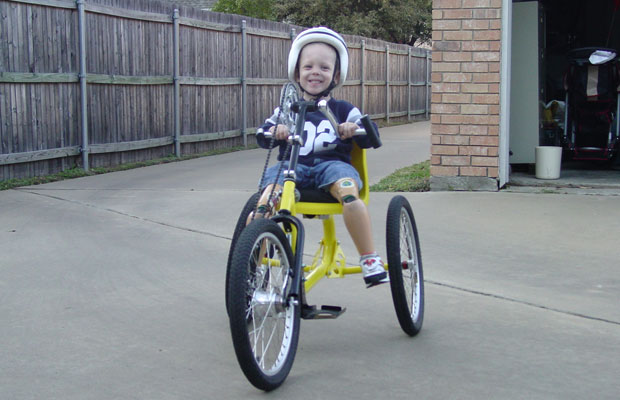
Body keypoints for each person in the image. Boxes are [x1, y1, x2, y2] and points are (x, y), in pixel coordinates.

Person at [251, 27, 387, 287]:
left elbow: (371, 135)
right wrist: (275, 131)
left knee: (349, 194)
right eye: (308, 66)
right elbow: (262, 134)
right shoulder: (286, 110)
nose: (315, 72)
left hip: (333, 168)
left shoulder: (343, 109)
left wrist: (353, 129)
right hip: (292, 168)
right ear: (296, 73)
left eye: (324, 68)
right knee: (264, 204)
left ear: (336, 75)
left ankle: (369, 258)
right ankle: (250, 267)